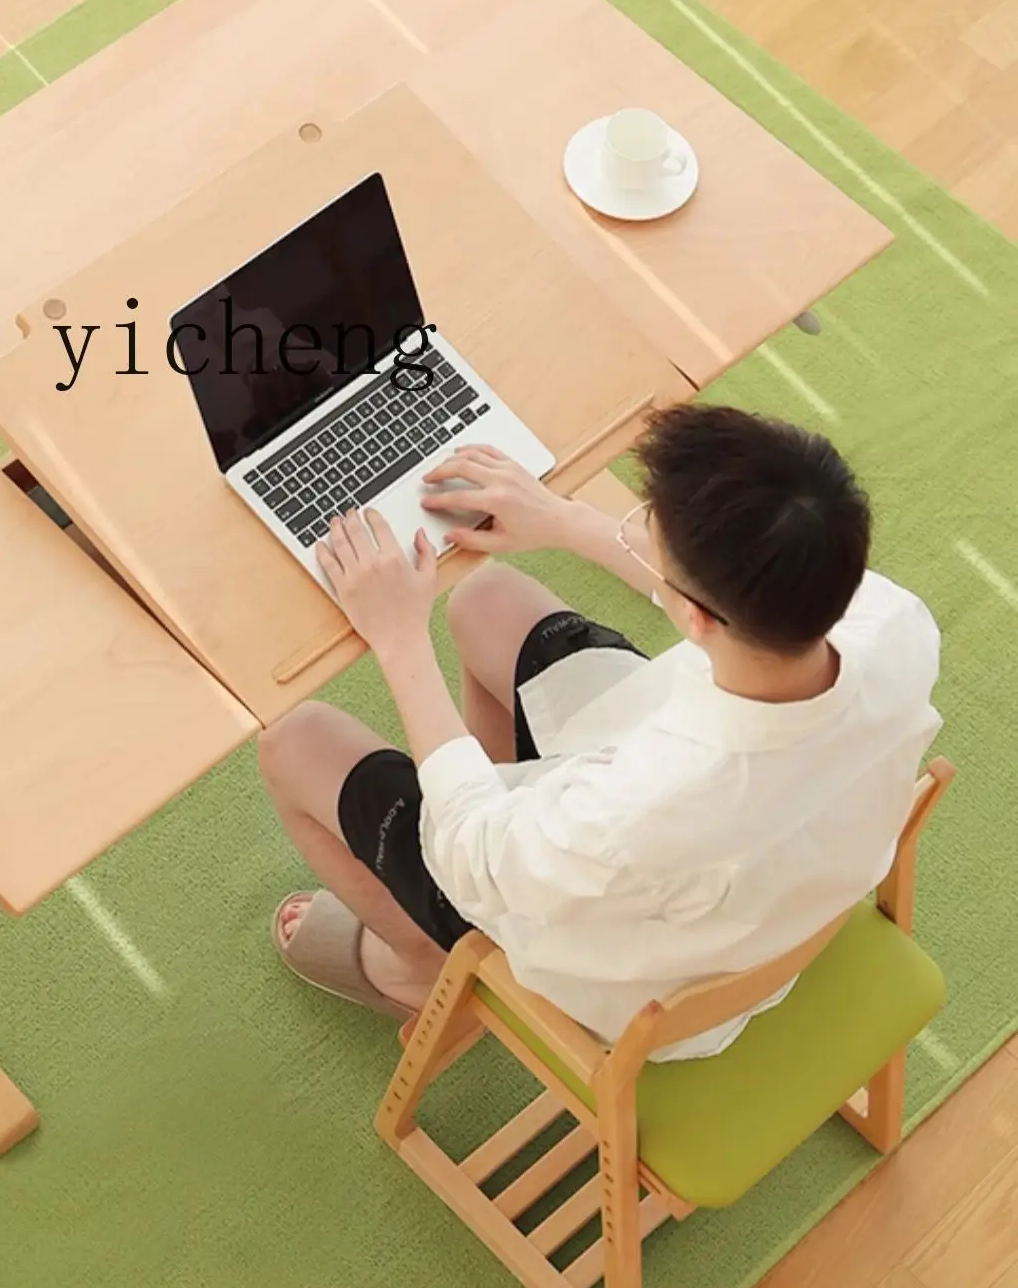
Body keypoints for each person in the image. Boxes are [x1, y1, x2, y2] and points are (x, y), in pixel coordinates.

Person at [258, 402, 941, 1059]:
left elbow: (473, 851)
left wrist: (399, 638)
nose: (639, 530)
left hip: (622, 966)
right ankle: (483, 809)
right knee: (485, 600)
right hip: (744, 887)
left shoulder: (640, 812)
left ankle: (419, 964)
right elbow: (736, 599)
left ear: (696, 616)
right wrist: (564, 521)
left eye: (650, 529)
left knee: (294, 742)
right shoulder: (894, 623)